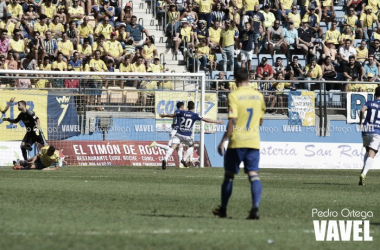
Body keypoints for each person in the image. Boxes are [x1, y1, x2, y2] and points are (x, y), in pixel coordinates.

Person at [213, 67, 265, 219]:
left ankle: (223, 209)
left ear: (235, 79)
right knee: (253, 175)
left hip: (237, 142)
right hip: (253, 142)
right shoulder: (258, 96)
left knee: (229, 176)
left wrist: (223, 141)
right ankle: (255, 209)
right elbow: (260, 121)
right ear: (249, 79)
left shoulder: (234, 95)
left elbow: (232, 121)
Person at [159, 100, 223, 170]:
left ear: (187, 106)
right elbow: (206, 119)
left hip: (178, 133)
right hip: (187, 135)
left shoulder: (182, 112)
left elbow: (172, 115)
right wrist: (217, 121)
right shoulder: (194, 115)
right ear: (193, 107)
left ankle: (165, 159)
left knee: (173, 147)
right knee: (192, 145)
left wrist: (164, 115)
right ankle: (184, 159)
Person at [149, 102, 187, 168]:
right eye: (183, 107)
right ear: (181, 107)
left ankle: (181, 163)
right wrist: (165, 115)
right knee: (171, 148)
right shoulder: (178, 112)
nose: (184, 108)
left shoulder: (178, 111)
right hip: (175, 131)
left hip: (175, 131)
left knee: (180, 147)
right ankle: (156, 146)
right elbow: (173, 115)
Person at [358, 86, 380, 185]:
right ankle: (364, 174)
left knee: (367, 151)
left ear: (375, 94)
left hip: (366, 130)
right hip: (377, 131)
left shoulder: (369, 102)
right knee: (372, 154)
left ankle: (363, 171)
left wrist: (360, 122)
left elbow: (362, 110)